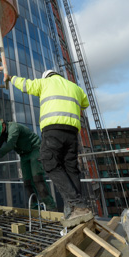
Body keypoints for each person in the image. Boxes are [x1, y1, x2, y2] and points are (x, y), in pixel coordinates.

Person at [9, 69, 93, 227]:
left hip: (53, 130)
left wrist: (11, 78)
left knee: (49, 164)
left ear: (46, 76)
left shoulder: (45, 83)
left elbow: (26, 85)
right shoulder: (74, 87)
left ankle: (78, 205)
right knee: (71, 168)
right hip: (72, 133)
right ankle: (75, 209)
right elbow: (85, 103)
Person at [0, 119, 57, 211]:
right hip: (23, 154)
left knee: (37, 178)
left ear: (3, 125)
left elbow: (10, 145)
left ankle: (50, 206)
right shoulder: (3, 133)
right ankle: (34, 206)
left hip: (34, 149)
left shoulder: (14, 128)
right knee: (27, 181)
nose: (0, 135)